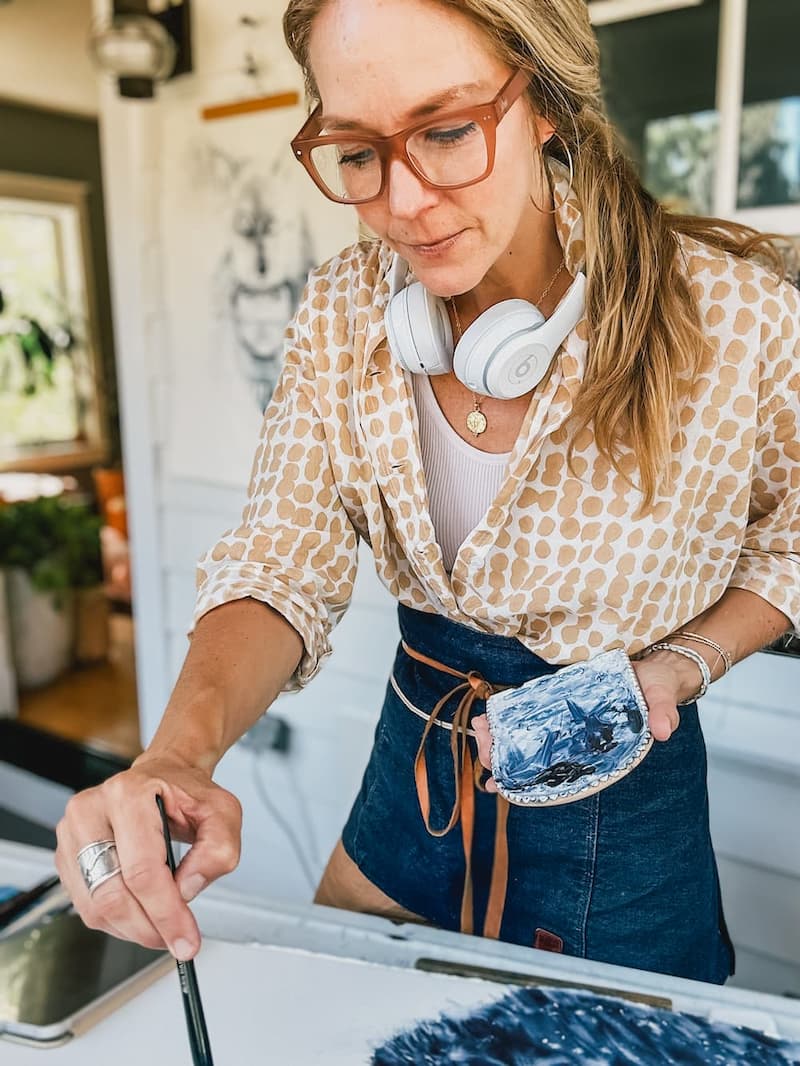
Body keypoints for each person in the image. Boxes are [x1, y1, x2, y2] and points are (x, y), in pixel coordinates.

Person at [55, 0, 799, 985]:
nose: (402, 203)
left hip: (623, 816)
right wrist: (176, 756)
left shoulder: (732, 315)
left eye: (445, 131)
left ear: (538, 99)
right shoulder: (340, 311)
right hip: (409, 789)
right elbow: (280, 559)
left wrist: (679, 664)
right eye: (356, 152)